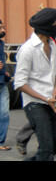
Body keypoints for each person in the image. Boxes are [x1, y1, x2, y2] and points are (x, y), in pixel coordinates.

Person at [16, 9, 56, 158]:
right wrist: (44, 99)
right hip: (35, 103)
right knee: (46, 148)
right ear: (46, 27)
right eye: (55, 24)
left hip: (50, 100)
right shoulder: (27, 49)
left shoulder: (52, 44)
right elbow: (19, 83)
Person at [0, 19, 12, 151]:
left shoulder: (1, 44)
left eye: (3, 28)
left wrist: (5, 72)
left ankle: (0, 141)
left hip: (2, 82)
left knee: (4, 113)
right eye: (0, 28)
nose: (3, 31)